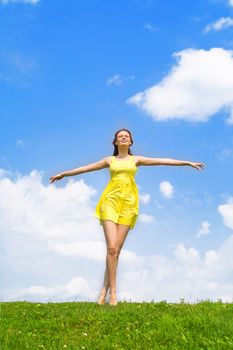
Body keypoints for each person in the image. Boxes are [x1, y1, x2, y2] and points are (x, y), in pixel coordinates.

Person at [49, 128, 204, 306]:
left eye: (126, 136)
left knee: (115, 252)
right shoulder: (110, 160)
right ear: (115, 142)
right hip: (110, 202)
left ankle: (102, 293)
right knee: (112, 248)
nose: (123, 138)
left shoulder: (136, 159)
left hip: (128, 205)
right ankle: (112, 294)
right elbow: (86, 168)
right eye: (120, 136)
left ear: (131, 142)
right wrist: (64, 174)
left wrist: (186, 163)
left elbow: (162, 161)